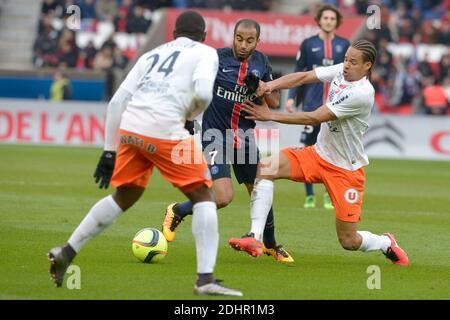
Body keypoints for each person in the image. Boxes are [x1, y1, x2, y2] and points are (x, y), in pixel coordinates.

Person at [47, 10, 242, 297]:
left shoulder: (152, 54)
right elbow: (202, 94)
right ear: (204, 36)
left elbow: (116, 102)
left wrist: (108, 151)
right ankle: (205, 279)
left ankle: (67, 250)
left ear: (173, 34)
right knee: (203, 197)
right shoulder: (206, 53)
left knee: (125, 196)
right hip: (165, 129)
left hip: (131, 129)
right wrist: (189, 116)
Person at [229, 40, 409, 267]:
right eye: (345, 59)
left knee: (349, 240)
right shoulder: (341, 72)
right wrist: (269, 86)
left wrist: (271, 115)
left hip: (345, 170)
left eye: (353, 62)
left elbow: (314, 117)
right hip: (317, 155)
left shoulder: (362, 93)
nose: (345, 65)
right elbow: (304, 77)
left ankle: (385, 242)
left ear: (367, 66)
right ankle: (254, 238)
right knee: (266, 168)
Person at [162, 19, 294, 263]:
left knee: (260, 190)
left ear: (258, 41)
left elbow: (274, 103)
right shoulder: (216, 58)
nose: (243, 45)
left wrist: (260, 89)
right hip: (215, 135)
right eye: (239, 39)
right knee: (223, 198)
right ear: (233, 37)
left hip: (244, 137)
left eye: (249, 40)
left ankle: (271, 244)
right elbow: (194, 87)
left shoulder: (261, 62)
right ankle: (178, 210)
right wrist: (187, 115)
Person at [285, 4, 350, 210]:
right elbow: (299, 70)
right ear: (319, 21)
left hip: (334, 107)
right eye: (326, 18)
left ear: (336, 22)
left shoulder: (344, 44)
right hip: (312, 107)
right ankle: (310, 195)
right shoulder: (308, 44)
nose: (329, 21)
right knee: (308, 150)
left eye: (332, 18)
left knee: (334, 151)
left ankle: (329, 195)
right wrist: (291, 98)